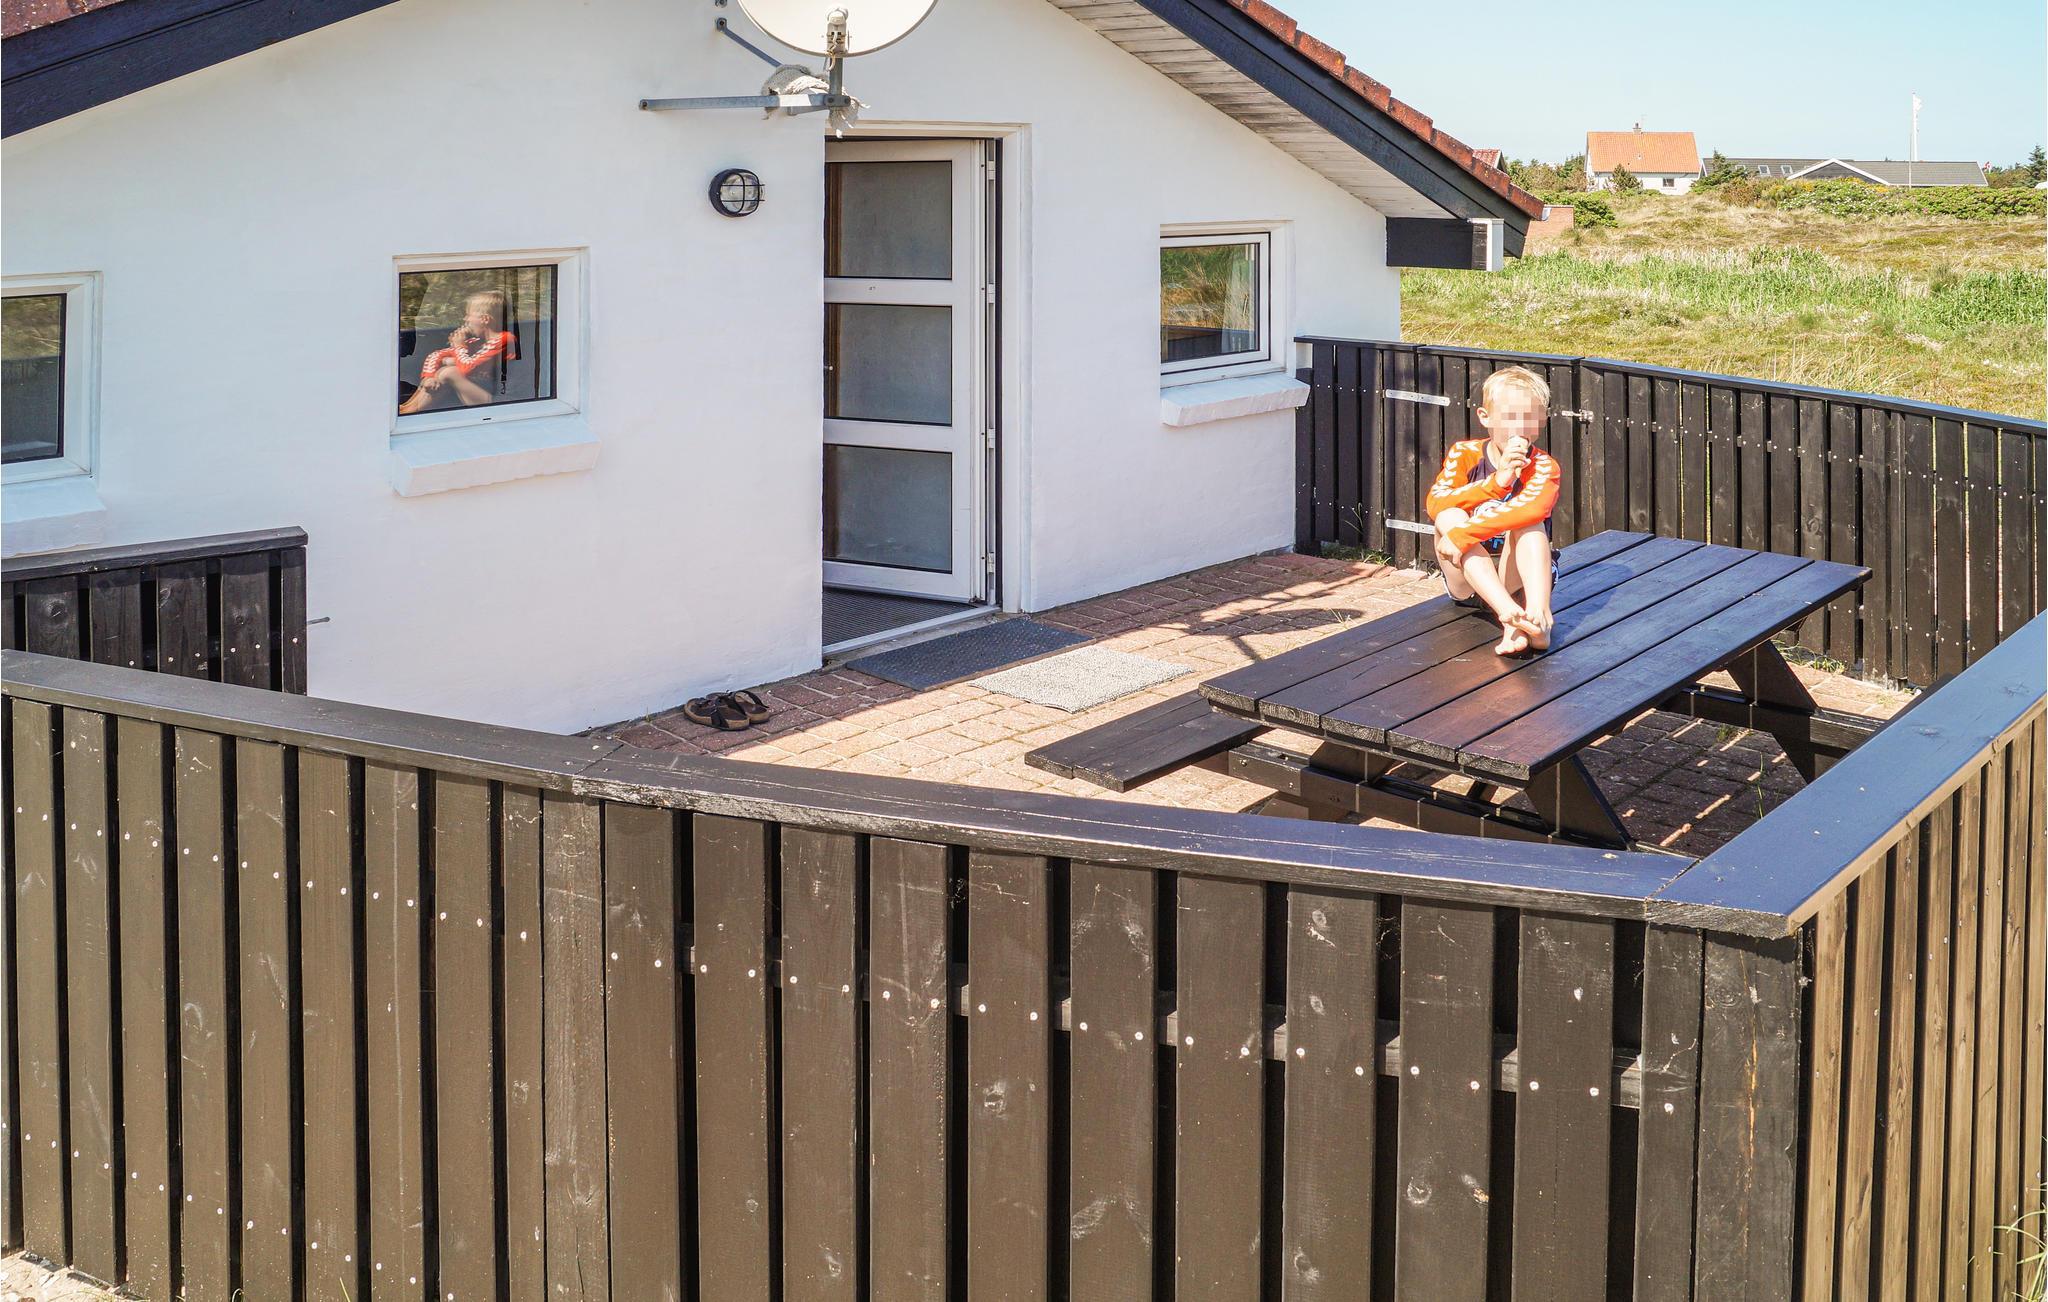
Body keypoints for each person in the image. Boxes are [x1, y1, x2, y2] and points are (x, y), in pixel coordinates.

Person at [1425, 365, 1563, 656]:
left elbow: (1531, 508)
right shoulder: (1464, 453)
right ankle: (1509, 616)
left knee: (1530, 522)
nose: (1519, 428)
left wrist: (1463, 534)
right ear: (1485, 417)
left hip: (1519, 579)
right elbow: (1436, 502)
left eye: (1529, 418)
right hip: (1469, 577)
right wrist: (1497, 483)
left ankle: (1539, 617)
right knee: (1449, 516)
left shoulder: (1544, 466)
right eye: (1510, 417)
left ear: (1542, 421)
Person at [398, 289, 517, 414]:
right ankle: (406, 408)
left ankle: (408, 412)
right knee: (444, 369)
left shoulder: (504, 340)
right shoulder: (477, 341)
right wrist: (428, 377)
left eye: (468, 315)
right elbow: (437, 355)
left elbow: (468, 367)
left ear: (485, 319)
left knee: (450, 372)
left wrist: (459, 347)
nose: (465, 319)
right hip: (483, 391)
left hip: (501, 401)